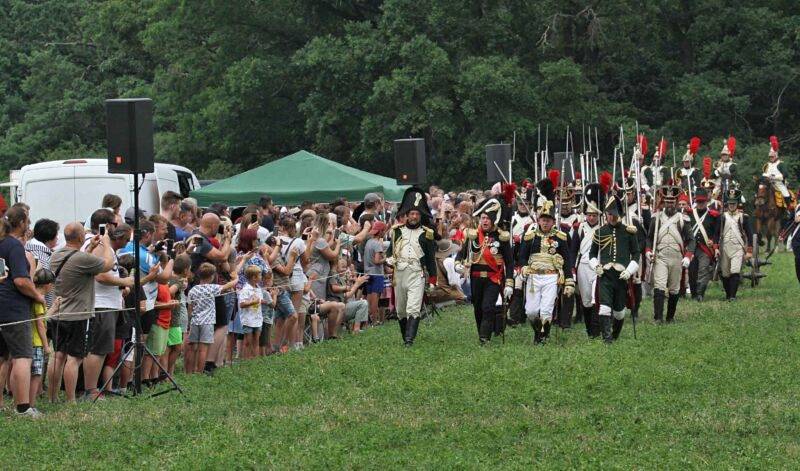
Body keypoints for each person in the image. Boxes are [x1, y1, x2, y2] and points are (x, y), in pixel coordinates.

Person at [49, 222, 114, 403]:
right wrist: (106, 243)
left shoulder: (56, 255)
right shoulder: (81, 259)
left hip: (59, 312)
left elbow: (76, 264)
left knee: (57, 356)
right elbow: (108, 264)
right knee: (74, 358)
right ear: (80, 238)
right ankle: (71, 400)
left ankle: (52, 397)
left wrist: (91, 247)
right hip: (79, 314)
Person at [83, 214, 134, 401]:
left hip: (109, 304)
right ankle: (91, 390)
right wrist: (123, 280)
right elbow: (100, 276)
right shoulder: (99, 245)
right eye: (116, 222)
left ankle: (93, 388)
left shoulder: (106, 246)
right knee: (98, 349)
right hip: (101, 304)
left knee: (103, 348)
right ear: (107, 225)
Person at [0, 213, 46, 417]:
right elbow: (21, 281)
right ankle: (23, 407)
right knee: (22, 357)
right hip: (13, 310)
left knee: (1, 358)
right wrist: (38, 295)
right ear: (19, 224)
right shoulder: (13, 246)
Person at [518, 186, 574, 345]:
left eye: (548, 220)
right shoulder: (530, 237)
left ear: (552, 221)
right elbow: (522, 256)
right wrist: (523, 267)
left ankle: (541, 338)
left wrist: (569, 281)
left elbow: (567, 259)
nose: (545, 223)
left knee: (546, 310)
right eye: (543, 220)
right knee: (531, 311)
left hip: (551, 277)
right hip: (534, 277)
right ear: (539, 220)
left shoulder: (560, 237)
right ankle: (539, 332)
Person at [456, 197, 513, 345]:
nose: (485, 221)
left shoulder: (501, 237)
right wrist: (458, 265)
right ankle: (483, 330)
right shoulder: (473, 235)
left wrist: (509, 282)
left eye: (488, 218)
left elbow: (509, 262)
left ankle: (484, 337)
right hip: (475, 277)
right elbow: (460, 254)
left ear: (494, 220)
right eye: (483, 218)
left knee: (488, 306)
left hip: (493, 278)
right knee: (478, 308)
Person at [386, 187, 437, 346]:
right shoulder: (397, 232)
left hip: (417, 273)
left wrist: (433, 280)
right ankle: (405, 336)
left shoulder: (426, 233)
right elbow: (390, 252)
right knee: (401, 310)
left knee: (413, 308)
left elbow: (430, 259)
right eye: (411, 214)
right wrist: (389, 260)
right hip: (400, 273)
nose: (414, 217)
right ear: (406, 215)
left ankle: (409, 340)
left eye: (417, 214)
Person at [589, 192, 641, 343]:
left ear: (619, 215)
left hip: (621, 276)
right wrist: (596, 266)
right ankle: (607, 339)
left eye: (614, 214)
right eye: (609, 214)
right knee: (604, 307)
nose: (611, 217)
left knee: (619, 312)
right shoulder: (600, 232)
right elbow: (592, 254)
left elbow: (636, 254)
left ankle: (615, 335)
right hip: (605, 275)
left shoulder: (628, 232)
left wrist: (629, 270)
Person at [646, 186, 695, 324]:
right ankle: (658, 317)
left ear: (676, 202)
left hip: (677, 257)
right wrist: (649, 251)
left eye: (672, 201)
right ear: (663, 201)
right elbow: (649, 238)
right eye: (667, 201)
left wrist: (688, 256)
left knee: (674, 289)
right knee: (659, 286)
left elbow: (691, 240)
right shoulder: (656, 218)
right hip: (660, 256)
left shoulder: (682, 219)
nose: (670, 204)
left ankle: (670, 317)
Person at [187, 263, 238, 374]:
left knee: (192, 348)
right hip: (207, 323)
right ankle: (199, 372)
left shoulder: (193, 290)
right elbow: (230, 285)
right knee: (203, 348)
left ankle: (189, 372)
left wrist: (191, 319)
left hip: (195, 322)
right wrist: (236, 278)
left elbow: (190, 309)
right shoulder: (213, 288)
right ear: (212, 277)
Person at [571, 182, 603, 338]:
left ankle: (597, 330)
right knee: (586, 301)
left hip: (598, 266)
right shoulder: (580, 228)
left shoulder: (603, 229)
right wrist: (572, 269)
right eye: (589, 215)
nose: (591, 217)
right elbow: (573, 249)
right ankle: (589, 330)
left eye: (594, 215)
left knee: (596, 299)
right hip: (583, 266)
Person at [714, 188, 753, 302]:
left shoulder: (743, 217)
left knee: (735, 271)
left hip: (737, 248)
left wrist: (749, 251)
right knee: (725, 274)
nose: (731, 205)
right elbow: (716, 234)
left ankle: (733, 296)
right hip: (724, 247)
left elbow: (750, 235)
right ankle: (728, 294)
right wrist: (716, 248)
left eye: (734, 203)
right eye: (730, 203)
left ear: (737, 204)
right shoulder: (722, 217)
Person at [29, 268, 60, 408]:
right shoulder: (39, 301)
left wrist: (54, 307)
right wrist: (46, 346)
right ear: (48, 285)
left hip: (28, 340)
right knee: (36, 375)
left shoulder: (32, 297)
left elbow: (43, 317)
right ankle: (31, 405)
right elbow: (40, 324)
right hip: (36, 342)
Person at [687, 188, 719, 302]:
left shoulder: (713, 215)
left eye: (702, 202)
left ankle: (700, 293)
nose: (700, 204)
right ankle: (694, 293)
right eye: (698, 202)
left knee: (703, 269)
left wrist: (713, 242)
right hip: (691, 248)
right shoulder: (689, 214)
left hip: (705, 248)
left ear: (706, 201)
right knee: (691, 271)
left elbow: (717, 233)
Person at [328, 258, 370, 333]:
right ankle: (354, 329)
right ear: (336, 267)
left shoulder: (341, 278)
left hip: (343, 307)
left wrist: (353, 282)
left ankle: (356, 328)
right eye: (342, 267)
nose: (345, 270)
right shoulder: (333, 275)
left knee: (363, 303)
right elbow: (346, 295)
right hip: (336, 309)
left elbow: (347, 295)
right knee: (363, 303)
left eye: (345, 267)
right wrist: (357, 284)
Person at [238, 265, 265, 359]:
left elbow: (260, 301)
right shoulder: (245, 290)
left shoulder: (258, 288)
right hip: (248, 320)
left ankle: (255, 360)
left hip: (257, 319)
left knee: (256, 340)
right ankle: (247, 360)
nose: (261, 277)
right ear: (254, 277)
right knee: (248, 342)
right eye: (260, 275)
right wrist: (252, 302)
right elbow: (242, 304)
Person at [363, 220, 387, 324]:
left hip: (368, 272)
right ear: (381, 231)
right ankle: (374, 320)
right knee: (375, 297)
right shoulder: (377, 244)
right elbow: (377, 261)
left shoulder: (369, 242)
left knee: (369, 296)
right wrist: (385, 259)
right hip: (377, 273)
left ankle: (366, 319)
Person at [762, 135, 792, 206]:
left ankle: (788, 210)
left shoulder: (781, 164)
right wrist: (767, 176)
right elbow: (763, 174)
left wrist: (774, 177)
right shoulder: (767, 165)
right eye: (770, 157)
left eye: (772, 156)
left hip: (778, 184)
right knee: (759, 193)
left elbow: (785, 174)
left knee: (786, 194)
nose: (771, 158)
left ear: (776, 156)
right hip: (768, 183)